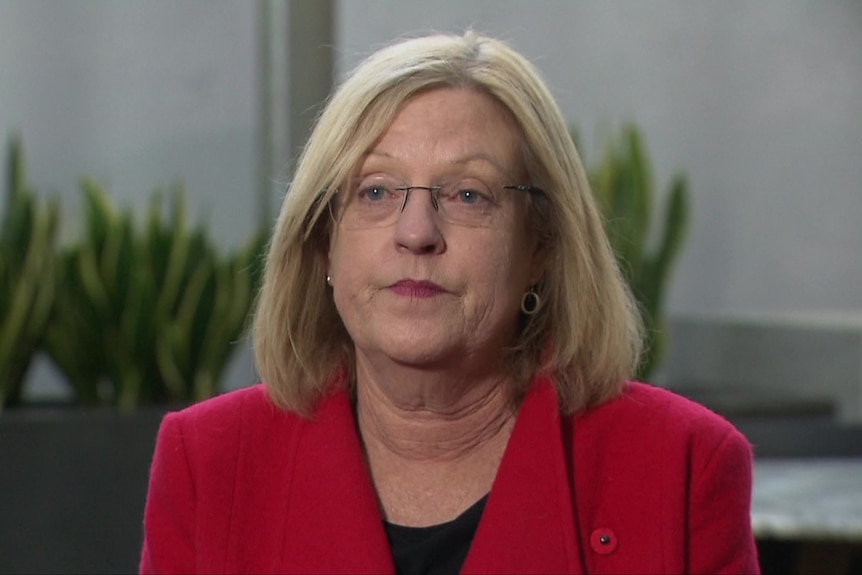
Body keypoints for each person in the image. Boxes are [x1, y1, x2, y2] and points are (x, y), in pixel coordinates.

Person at [140, 31, 759, 574]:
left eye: (468, 195)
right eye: (376, 190)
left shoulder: (682, 465)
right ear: (324, 240)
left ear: (540, 247)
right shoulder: (211, 462)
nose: (416, 232)